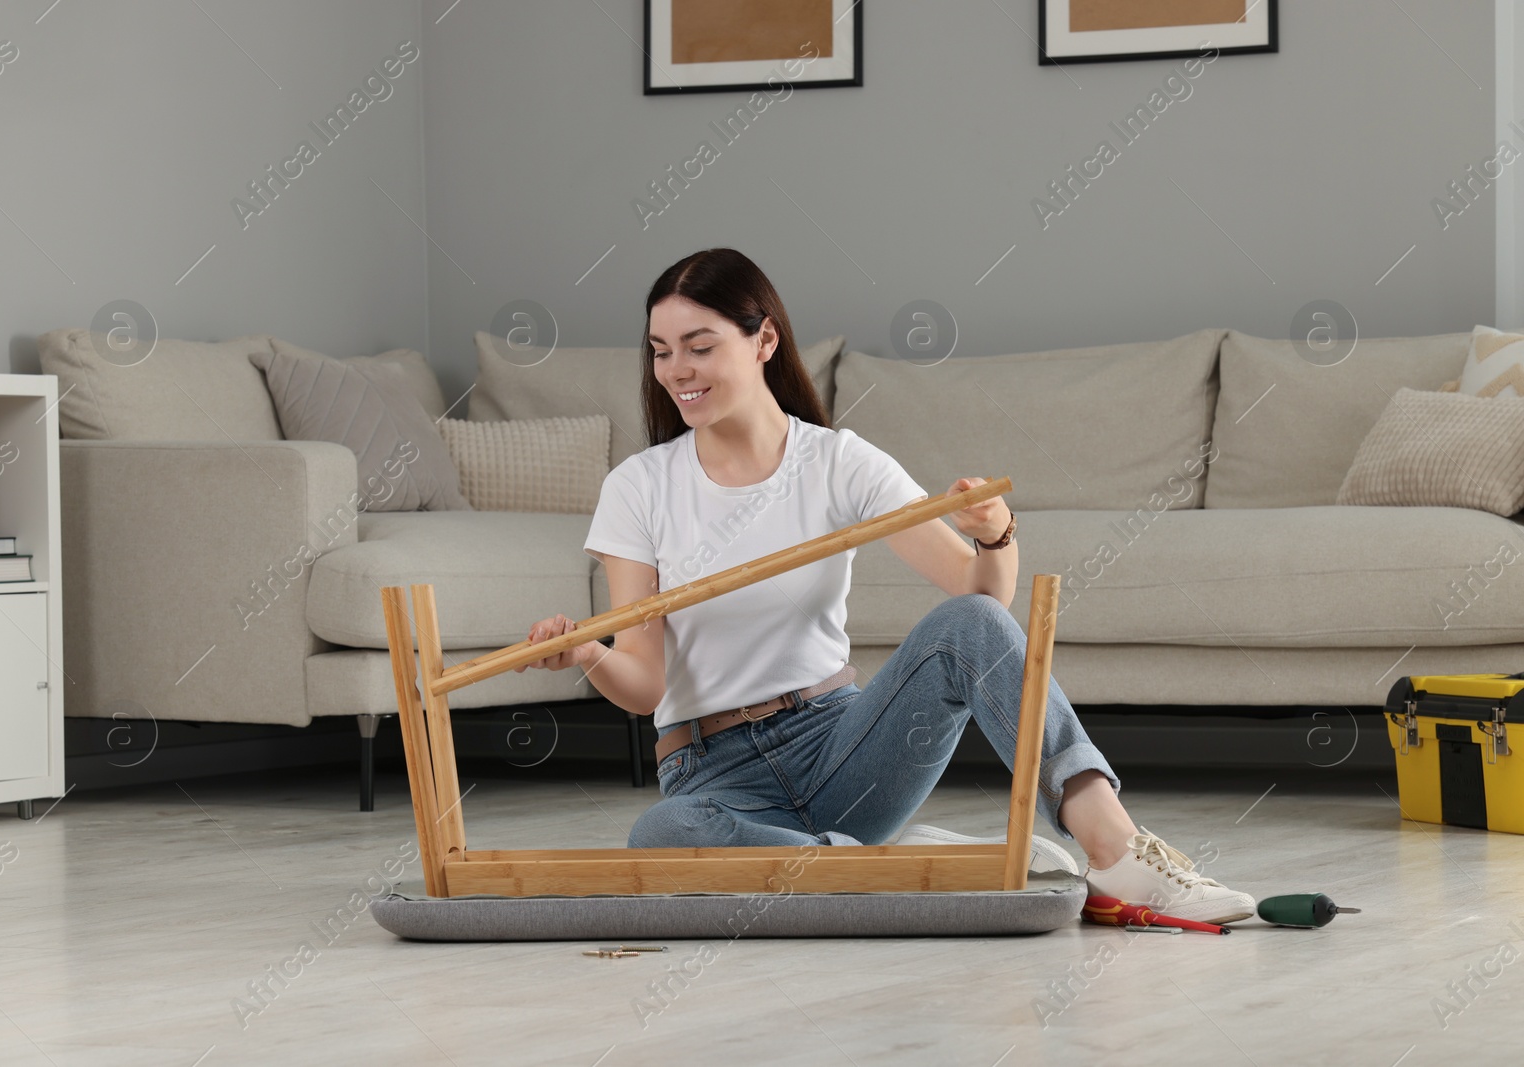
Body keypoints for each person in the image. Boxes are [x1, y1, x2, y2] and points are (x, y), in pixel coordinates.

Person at [516, 248, 1253, 924]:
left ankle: (1114, 848)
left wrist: (995, 531)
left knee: (963, 622)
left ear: (764, 340)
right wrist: (588, 656)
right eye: (661, 351)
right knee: (661, 833)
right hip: (713, 775)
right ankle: (884, 864)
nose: (677, 369)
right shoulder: (639, 488)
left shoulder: (837, 462)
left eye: (700, 347)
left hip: (841, 744)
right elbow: (645, 684)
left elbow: (979, 599)